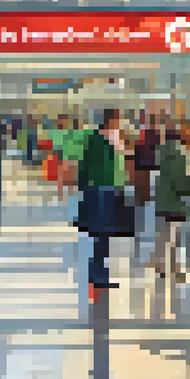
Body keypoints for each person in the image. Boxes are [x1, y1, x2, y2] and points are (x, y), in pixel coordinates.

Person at [79, 109, 125, 300]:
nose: (119, 124)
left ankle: (101, 274)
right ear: (109, 120)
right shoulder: (96, 140)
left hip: (112, 189)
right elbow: (85, 164)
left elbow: (119, 167)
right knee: (100, 232)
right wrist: (83, 187)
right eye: (117, 120)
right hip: (97, 189)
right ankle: (97, 274)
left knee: (105, 234)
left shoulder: (116, 140)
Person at [153, 124, 190, 281]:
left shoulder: (161, 151)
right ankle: (174, 266)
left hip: (163, 197)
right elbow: (181, 177)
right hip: (176, 199)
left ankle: (160, 263)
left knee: (164, 232)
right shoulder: (181, 152)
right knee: (175, 235)